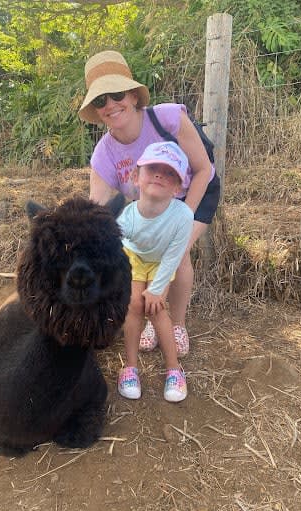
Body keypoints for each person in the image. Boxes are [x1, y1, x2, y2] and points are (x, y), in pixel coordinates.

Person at [78, 50, 220, 356]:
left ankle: (175, 325)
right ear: (95, 109)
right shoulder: (103, 155)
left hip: (196, 189)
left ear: (132, 94)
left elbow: (203, 169)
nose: (110, 105)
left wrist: (181, 219)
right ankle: (142, 317)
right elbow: (99, 213)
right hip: (151, 204)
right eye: (100, 100)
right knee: (137, 254)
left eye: (116, 94)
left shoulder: (167, 118)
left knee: (176, 251)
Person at [116, 141, 194, 402]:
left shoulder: (183, 216)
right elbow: (118, 248)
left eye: (169, 172)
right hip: (134, 257)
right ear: (136, 177)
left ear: (178, 187)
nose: (160, 174)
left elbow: (174, 255)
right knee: (134, 306)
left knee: (157, 308)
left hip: (162, 261)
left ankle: (174, 370)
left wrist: (157, 289)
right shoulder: (125, 217)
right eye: (152, 169)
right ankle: (130, 367)